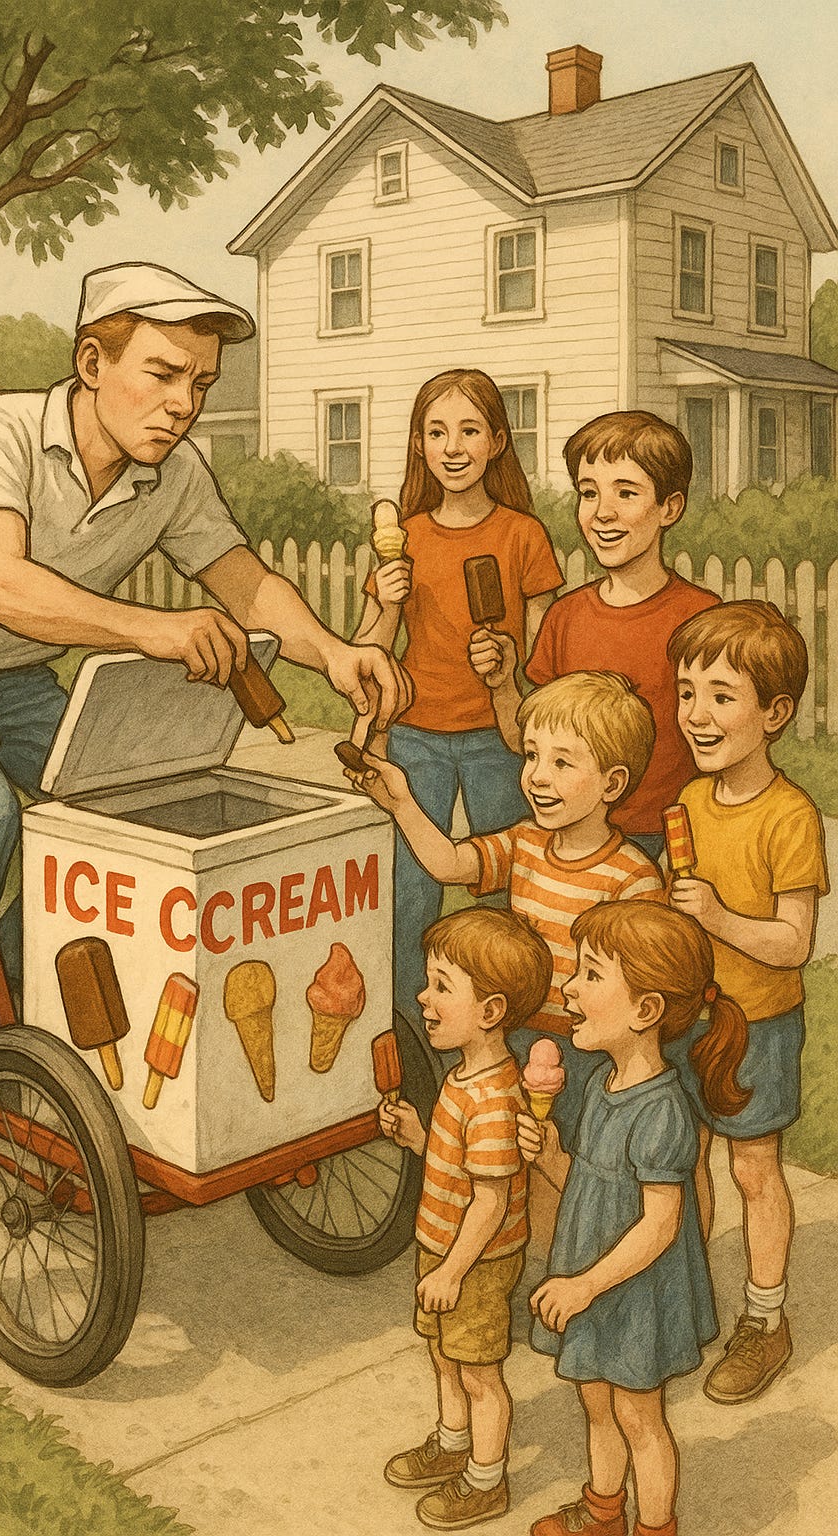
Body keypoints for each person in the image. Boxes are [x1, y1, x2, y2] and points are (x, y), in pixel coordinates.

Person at [0, 261, 411, 1139]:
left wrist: (335, 655)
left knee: (133, 823)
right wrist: (153, 630)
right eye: (164, 374)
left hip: (20, 686)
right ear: (91, 363)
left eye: (201, 384)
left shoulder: (175, 474)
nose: (184, 404)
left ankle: (9, 985)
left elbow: (247, 585)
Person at [350, 670, 663, 1148]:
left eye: (562, 762)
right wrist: (401, 804)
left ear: (612, 783)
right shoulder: (524, 842)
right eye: (532, 755)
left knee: (567, 1159)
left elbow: (642, 990)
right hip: (512, 1037)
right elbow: (449, 864)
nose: (538, 776)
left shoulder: (633, 877)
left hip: (591, 1053)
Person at [519, 900, 749, 1536]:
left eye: (591, 974)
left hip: (634, 1290)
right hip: (592, 1280)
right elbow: (590, 1188)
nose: (570, 987)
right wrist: (552, 1158)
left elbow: (659, 1225)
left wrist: (584, 1285)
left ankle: (655, 1527)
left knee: (639, 1418)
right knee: (597, 1404)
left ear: (646, 1010)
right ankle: (603, 1513)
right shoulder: (601, 1085)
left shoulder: (662, 1112)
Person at [352, 369, 562, 1024]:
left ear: (497, 441)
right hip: (417, 736)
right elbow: (364, 655)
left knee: (505, 891)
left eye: (469, 431)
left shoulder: (523, 535)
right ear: (418, 444)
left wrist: (509, 668)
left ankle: (508, 1032)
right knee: (410, 891)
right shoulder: (407, 537)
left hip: (502, 740)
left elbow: (546, 659)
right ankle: (411, 1035)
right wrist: (388, 604)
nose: (452, 447)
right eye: (437, 432)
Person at [666, 600, 828, 1403]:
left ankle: (765, 1320)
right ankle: (687, 1302)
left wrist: (718, 918)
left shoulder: (790, 815)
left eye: (721, 696)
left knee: (754, 1167)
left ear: (775, 713)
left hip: (758, 1022)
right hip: (692, 1019)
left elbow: (794, 943)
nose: (696, 714)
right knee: (684, 1159)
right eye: (686, 692)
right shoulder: (692, 804)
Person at [471, 410, 717, 861]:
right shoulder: (565, 618)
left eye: (626, 492)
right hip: (578, 838)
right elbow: (528, 742)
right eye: (589, 493)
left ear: (670, 508)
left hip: (672, 839)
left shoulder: (701, 619)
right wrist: (503, 685)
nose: (603, 512)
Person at [379, 907, 552, 1531]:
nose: (423, 997)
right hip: (442, 1246)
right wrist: (420, 1138)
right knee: (444, 1357)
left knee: (480, 1375)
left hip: (475, 1261)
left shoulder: (494, 1098)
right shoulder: (461, 1080)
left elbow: (492, 1201)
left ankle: (486, 1480)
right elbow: (461, 1167)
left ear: (490, 1011)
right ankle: (452, 1444)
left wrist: (452, 1271)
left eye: (441, 986)